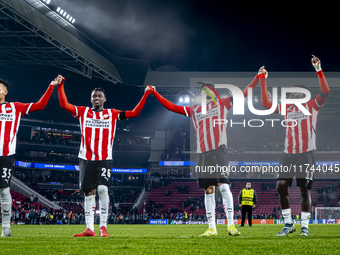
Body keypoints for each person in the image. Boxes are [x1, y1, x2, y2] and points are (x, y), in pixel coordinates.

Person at [151, 70, 262, 237]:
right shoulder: (195, 109)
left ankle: (231, 226)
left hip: (219, 150)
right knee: (208, 190)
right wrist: (155, 93)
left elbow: (244, 94)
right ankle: (212, 228)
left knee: (223, 187)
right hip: (202, 154)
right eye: (202, 91)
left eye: (207, 89)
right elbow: (172, 107)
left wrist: (257, 78)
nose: (205, 92)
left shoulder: (223, 103)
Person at [57, 75, 154, 237]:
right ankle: (89, 228)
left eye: (99, 96)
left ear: (104, 99)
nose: (96, 98)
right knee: (88, 193)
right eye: (94, 96)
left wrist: (145, 95)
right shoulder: (83, 112)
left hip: (104, 158)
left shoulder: (112, 114)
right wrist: (61, 86)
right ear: (90, 99)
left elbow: (134, 113)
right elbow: (64, 104)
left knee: (102, 189)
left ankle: (103, 226)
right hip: (86, 158)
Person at [260, 55, 330, 236]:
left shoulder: (313, 105)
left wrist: (318, 69)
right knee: (281, 185)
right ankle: (288, 223)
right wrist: (262, 80)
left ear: (303, 94)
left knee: (304, 190)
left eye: (294, 92)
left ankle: (305, 226)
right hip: (288, 154)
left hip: (307, 153)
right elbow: (266, 103)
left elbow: (326, 91)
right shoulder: (287, 108)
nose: (291, 95)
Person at [0, 76, 59, 237]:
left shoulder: (14, 108)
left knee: (4, 191)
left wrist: (51, 86)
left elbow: (40, 105)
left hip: (4, 156)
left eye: (0, 87)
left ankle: (6, 228)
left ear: (6, 91)